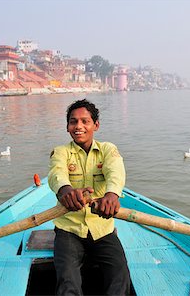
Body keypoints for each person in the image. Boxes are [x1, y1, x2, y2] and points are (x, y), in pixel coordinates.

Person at [48, 99, 131, 295]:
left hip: (102, 228)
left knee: (120, 276)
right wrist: (65, 191)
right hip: (69, 229)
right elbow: (56, 174)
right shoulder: (60, 152)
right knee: (67, 281)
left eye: (85, 121)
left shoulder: (108, 150)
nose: (78, 127)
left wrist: (112, 195)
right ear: (68, 127)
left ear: (96, 125)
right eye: (73, 121)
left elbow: (116, 172)